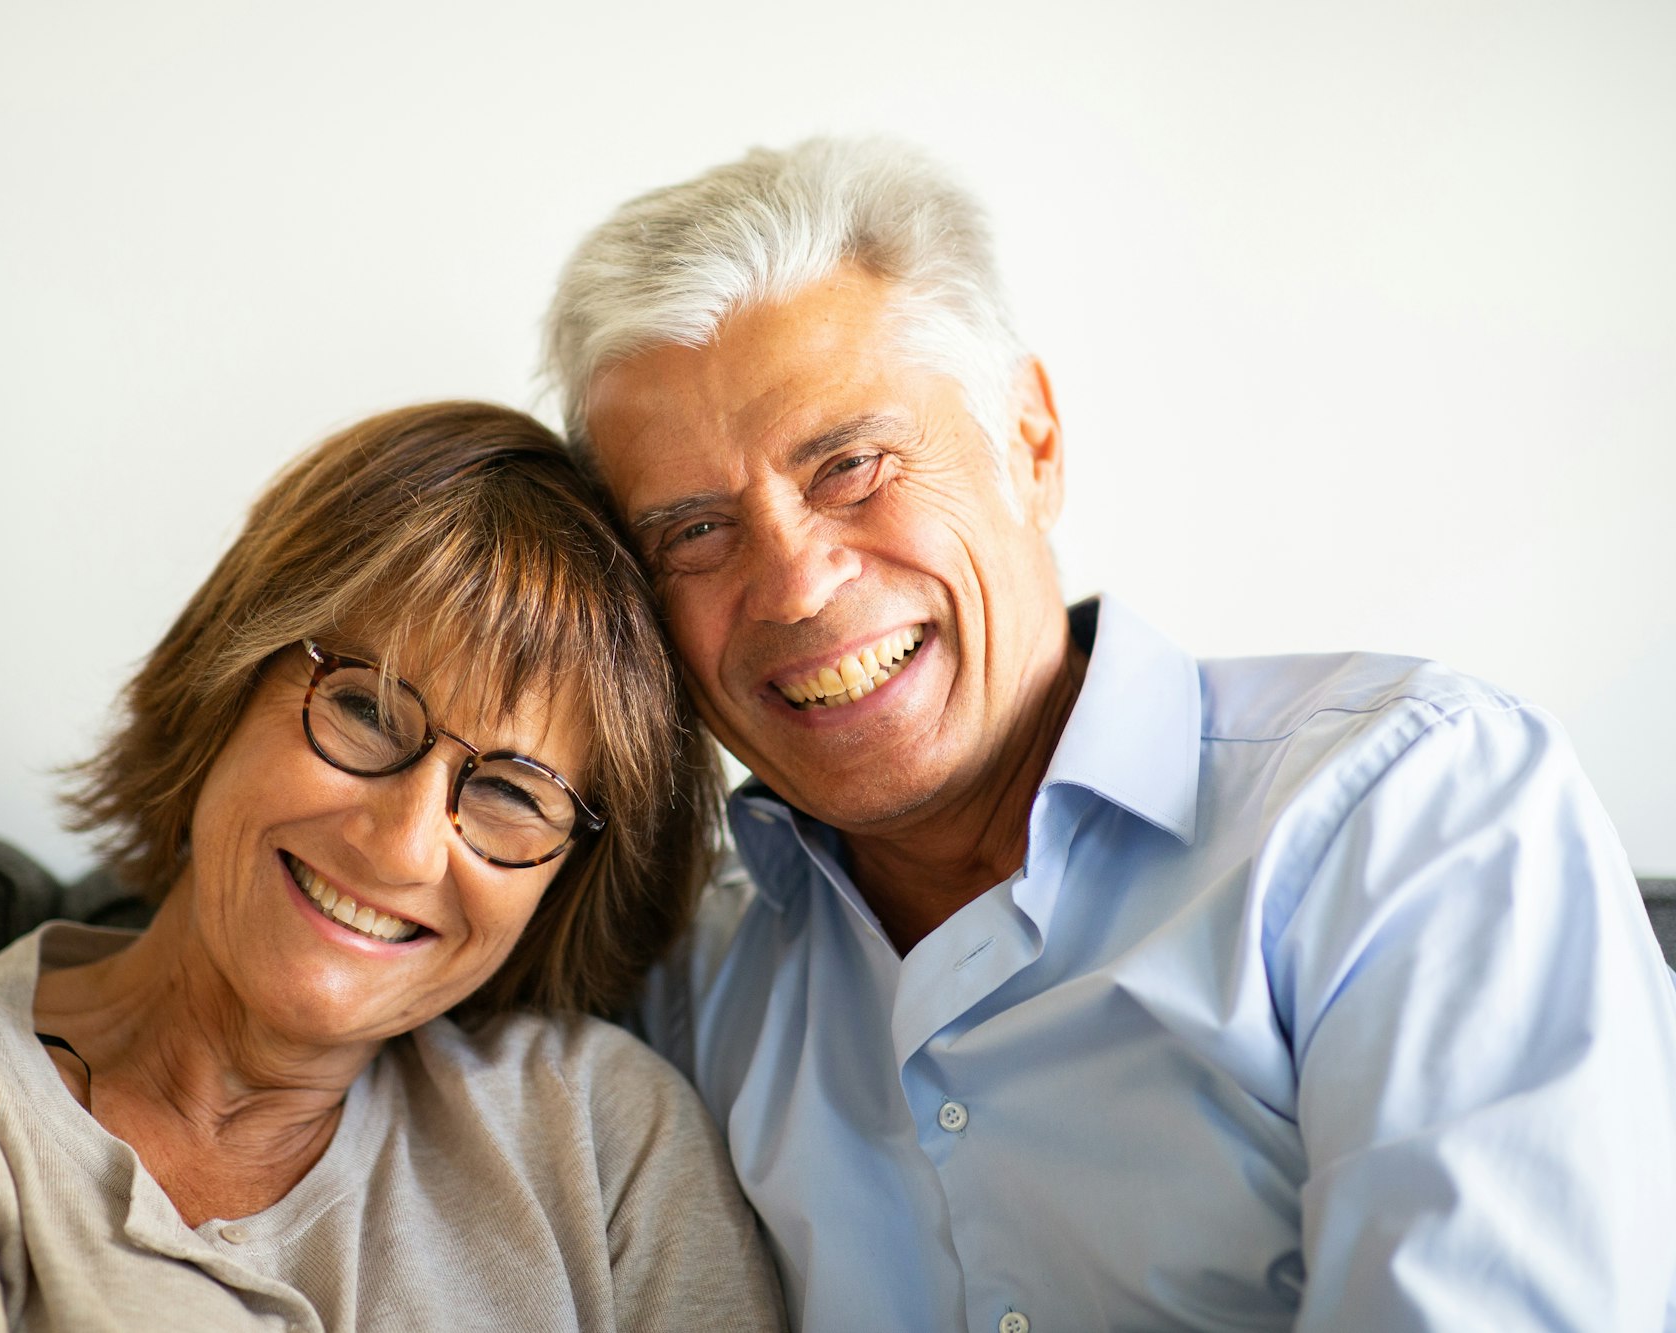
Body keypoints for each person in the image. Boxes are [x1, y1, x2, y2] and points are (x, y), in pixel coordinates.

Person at [542, 138, 1676, 1330]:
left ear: (1031, 445)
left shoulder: (1410, 812)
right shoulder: (679, 987)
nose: (792, 589)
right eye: (692, 534)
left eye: (850, 466)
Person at [0, 403, 786, 1331]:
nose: (402, 844)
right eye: (362, 708)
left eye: (509, 792)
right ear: (225, 685)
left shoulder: (599, 1132)